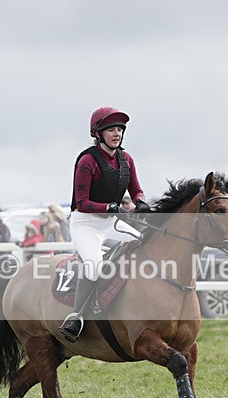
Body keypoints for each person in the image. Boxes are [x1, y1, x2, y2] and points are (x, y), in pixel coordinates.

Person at [58, 106, 151, 342]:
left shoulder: (126, 159)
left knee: (144, 245)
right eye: (111, 129)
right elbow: (81, 202)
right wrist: (109, 207)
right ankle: (76, 317)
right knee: (93, 265)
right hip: (85, 223)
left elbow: (136, 189)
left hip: (111, 222)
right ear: (98, 133)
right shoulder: (88, 161)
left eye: (120, 129)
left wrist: (140, 202)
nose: (117, 133)